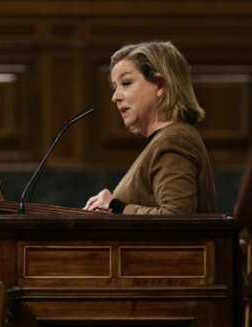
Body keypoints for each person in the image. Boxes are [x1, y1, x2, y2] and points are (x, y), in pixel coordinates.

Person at [84, 41, 216, 214]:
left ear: (159, 85)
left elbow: (177, 217)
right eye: (115, 87)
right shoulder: (165, 139)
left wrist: (115, 206)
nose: (115, 97)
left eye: (126, 83)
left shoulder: (174, 141)